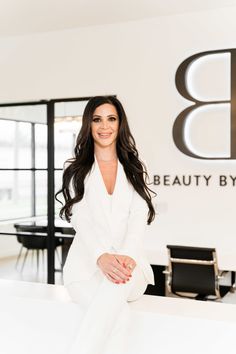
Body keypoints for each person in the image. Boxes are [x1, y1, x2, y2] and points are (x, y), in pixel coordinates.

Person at [56, 96, 156, 354]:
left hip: (129, 269)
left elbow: (137, 217)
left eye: (111, 118)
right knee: (119, 318)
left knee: (115, 287)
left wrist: (127, 257)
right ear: (88, 125)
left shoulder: (133, 169)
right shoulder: (75, 171)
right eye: (97, 119)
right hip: (85, 270)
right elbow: (81, 219)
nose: (104, 126)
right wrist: (101, 256)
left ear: (120, 124)